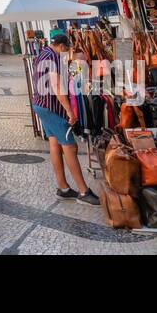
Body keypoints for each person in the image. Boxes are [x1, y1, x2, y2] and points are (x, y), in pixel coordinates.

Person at [31, 31, 98, 205]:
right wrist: (69, 111)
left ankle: (63, 187)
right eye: (66, 51)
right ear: (61, 46)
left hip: (40, 104)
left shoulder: (42, 54)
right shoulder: (53, 58)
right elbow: (56, 87)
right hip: (52, 108)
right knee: (70, 147)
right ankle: (84, 192)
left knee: (54, 143)